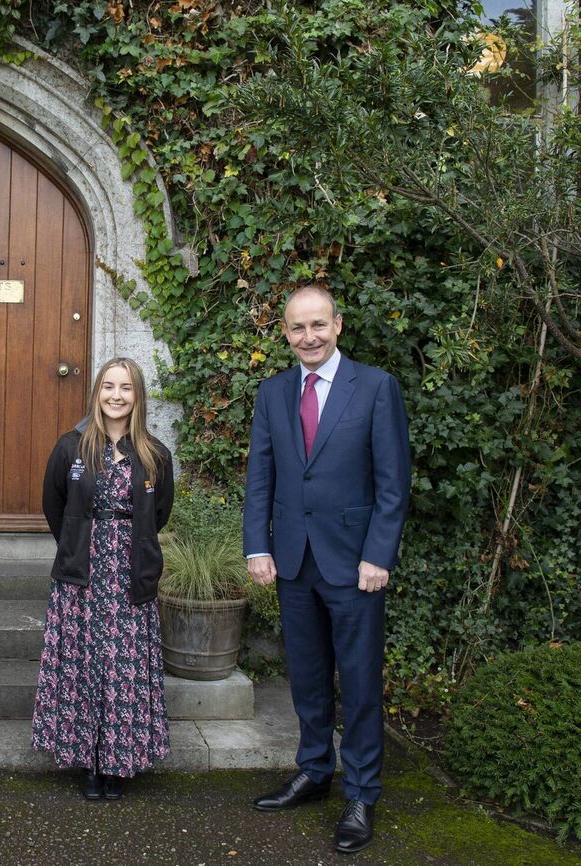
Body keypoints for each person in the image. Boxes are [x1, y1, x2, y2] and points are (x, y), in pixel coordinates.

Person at [243, 285, 411, 854]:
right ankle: (314, 771)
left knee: (360, 682)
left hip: (355, 564)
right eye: (297, 328)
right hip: (293, 560)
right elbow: (261, 477)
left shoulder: (377, 388)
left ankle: (361, 791)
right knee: (308, 677)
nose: (308, 337)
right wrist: (256, 547)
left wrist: (378, 555)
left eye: (318, 325)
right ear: (286, 334)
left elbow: (393, 483)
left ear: (337, 325)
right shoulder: (273, 392)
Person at [32, 357, 175, 800]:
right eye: (109, 386)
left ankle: (118, 763)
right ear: (96, 393)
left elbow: (161, 513)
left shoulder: (154, 454)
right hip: (82, 577)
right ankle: (90, 761)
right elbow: (54, 505)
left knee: (123, 669)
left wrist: (125, 542)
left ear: (138, 396)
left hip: (130, 576)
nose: (116, 395)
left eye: (126, 388)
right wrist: (81, 542)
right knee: (83, 666)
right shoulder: (71, 447)